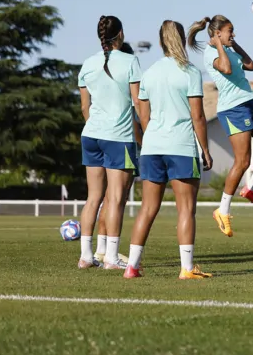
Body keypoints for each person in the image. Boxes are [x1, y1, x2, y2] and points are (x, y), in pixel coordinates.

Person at [125, 20, 214, 279]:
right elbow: (198, 116)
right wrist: (205, 149)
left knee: (147, 209)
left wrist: (152, 138)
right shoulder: (190, 72)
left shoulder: (149, 73)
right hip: (182, 148)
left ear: (161, 41)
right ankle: (187, 269)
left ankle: (132, 267)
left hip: (152, 148)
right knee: (186, 209)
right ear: (179, 38)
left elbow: (143, 116)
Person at [189, 15, 253, 238]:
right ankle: (222, 210)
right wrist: (220, 44)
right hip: (233, 109)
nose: (233, 34)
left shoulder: (230, 48)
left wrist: (233, 45)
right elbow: (226, 70)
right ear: (217, 33)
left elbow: (251, 65)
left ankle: (251, 187)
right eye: (230, 31)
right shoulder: (211, 53)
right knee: (242, 161)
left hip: (249, 103)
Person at [76, 16, 141, 270]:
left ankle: (85, 257)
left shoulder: (87, 64)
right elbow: (138, 103)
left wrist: (97, 126)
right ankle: (111, 258)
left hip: (90, 135)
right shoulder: (131, 61)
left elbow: (84, 106)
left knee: (93, 198)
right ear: (121, 34)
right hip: (119, 137)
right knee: (114, 198)